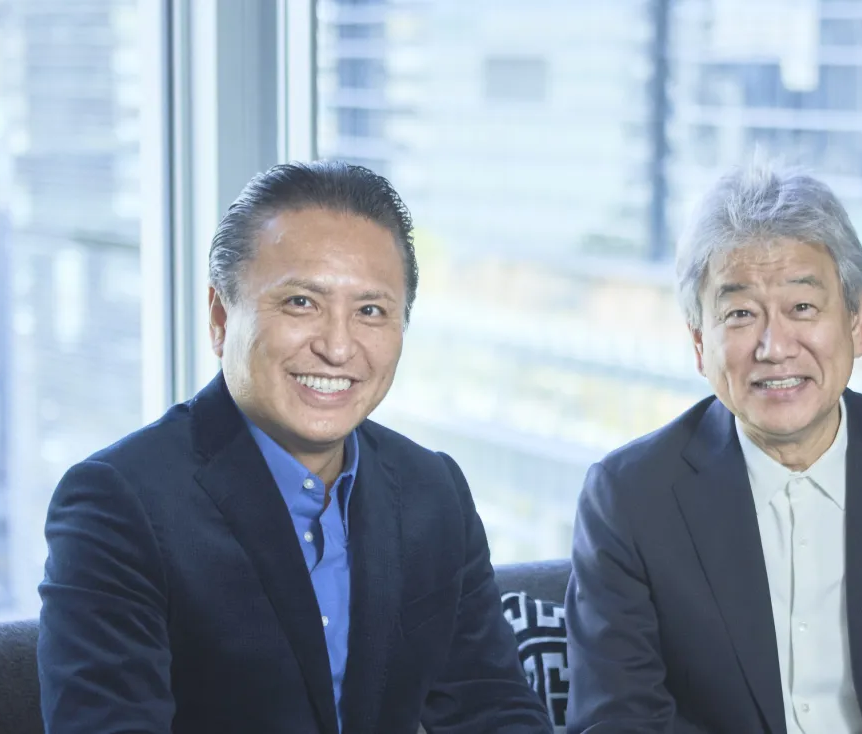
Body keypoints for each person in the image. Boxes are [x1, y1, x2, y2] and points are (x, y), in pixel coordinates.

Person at [37, 160, 551, 734]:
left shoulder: (432, 490)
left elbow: (495, 709)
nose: (337, 347)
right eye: (301, 302)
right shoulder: (117, 503)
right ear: (219, 317)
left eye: (370, 311)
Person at [564, 164, 862, 733]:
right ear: (699, 343)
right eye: (740, 314)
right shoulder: (630, 500)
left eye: (803, 308)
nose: (774, 347)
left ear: (856, 321)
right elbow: (618, 722)